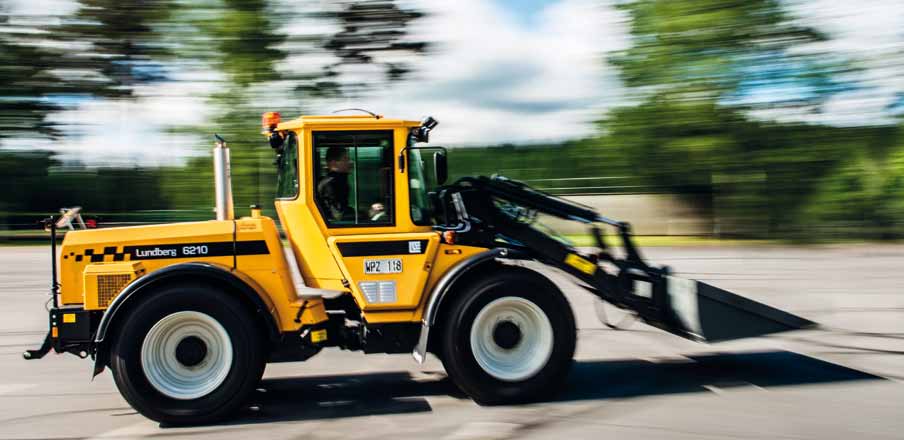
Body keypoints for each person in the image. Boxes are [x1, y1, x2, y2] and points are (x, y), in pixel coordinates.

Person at [317, 146, 353, 221]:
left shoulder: (339, 180)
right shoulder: (331, 184)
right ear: (334, 163)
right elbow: (337, 214)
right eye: (345, 159)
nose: (350, 162)